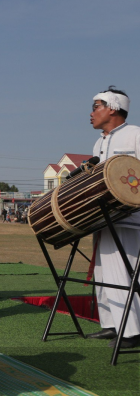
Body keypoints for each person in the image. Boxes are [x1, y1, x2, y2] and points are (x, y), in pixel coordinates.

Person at [85, 87, 140, 348]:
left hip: (130, 218)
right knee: (102, 271)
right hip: (103, 216)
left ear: (113, 108)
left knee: (122, 272)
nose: (91, 113)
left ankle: (131, 331)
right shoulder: (99, 142)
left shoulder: (136, 134)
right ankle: (110, 323)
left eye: (97, 106)